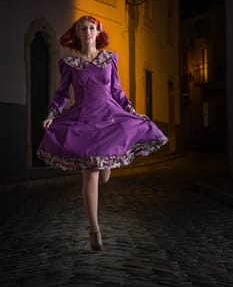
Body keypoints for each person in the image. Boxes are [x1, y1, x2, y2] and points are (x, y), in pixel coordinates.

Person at [37, 15, 168, 251]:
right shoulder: (69, 64)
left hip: (110, 118)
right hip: (83, 120)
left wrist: (132, 111)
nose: (87, 31)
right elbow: (61, 94)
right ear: (76, 33)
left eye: (91, 28)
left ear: (98, 33)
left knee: (103, 175)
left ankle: (109, 161)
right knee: (91, 173)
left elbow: (117, 91)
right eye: (83, 28)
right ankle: (94, 230)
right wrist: (52, 114)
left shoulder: (110, 59)